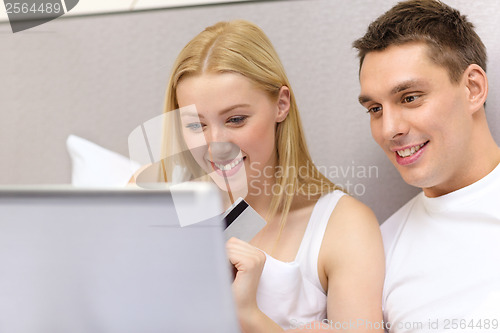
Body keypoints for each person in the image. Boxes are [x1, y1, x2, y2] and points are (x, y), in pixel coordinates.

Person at [158, 20, 385, 332]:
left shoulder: (343, 224)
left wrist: (250, 316)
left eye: (236, 119)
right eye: (196, 125)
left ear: (281, 105)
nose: (215, 146)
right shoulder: (162, 208)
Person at [353, 0, 500, 332]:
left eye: (409, 97)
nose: (389, 129)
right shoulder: (377, 253)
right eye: (374, 108)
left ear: (473, 88)